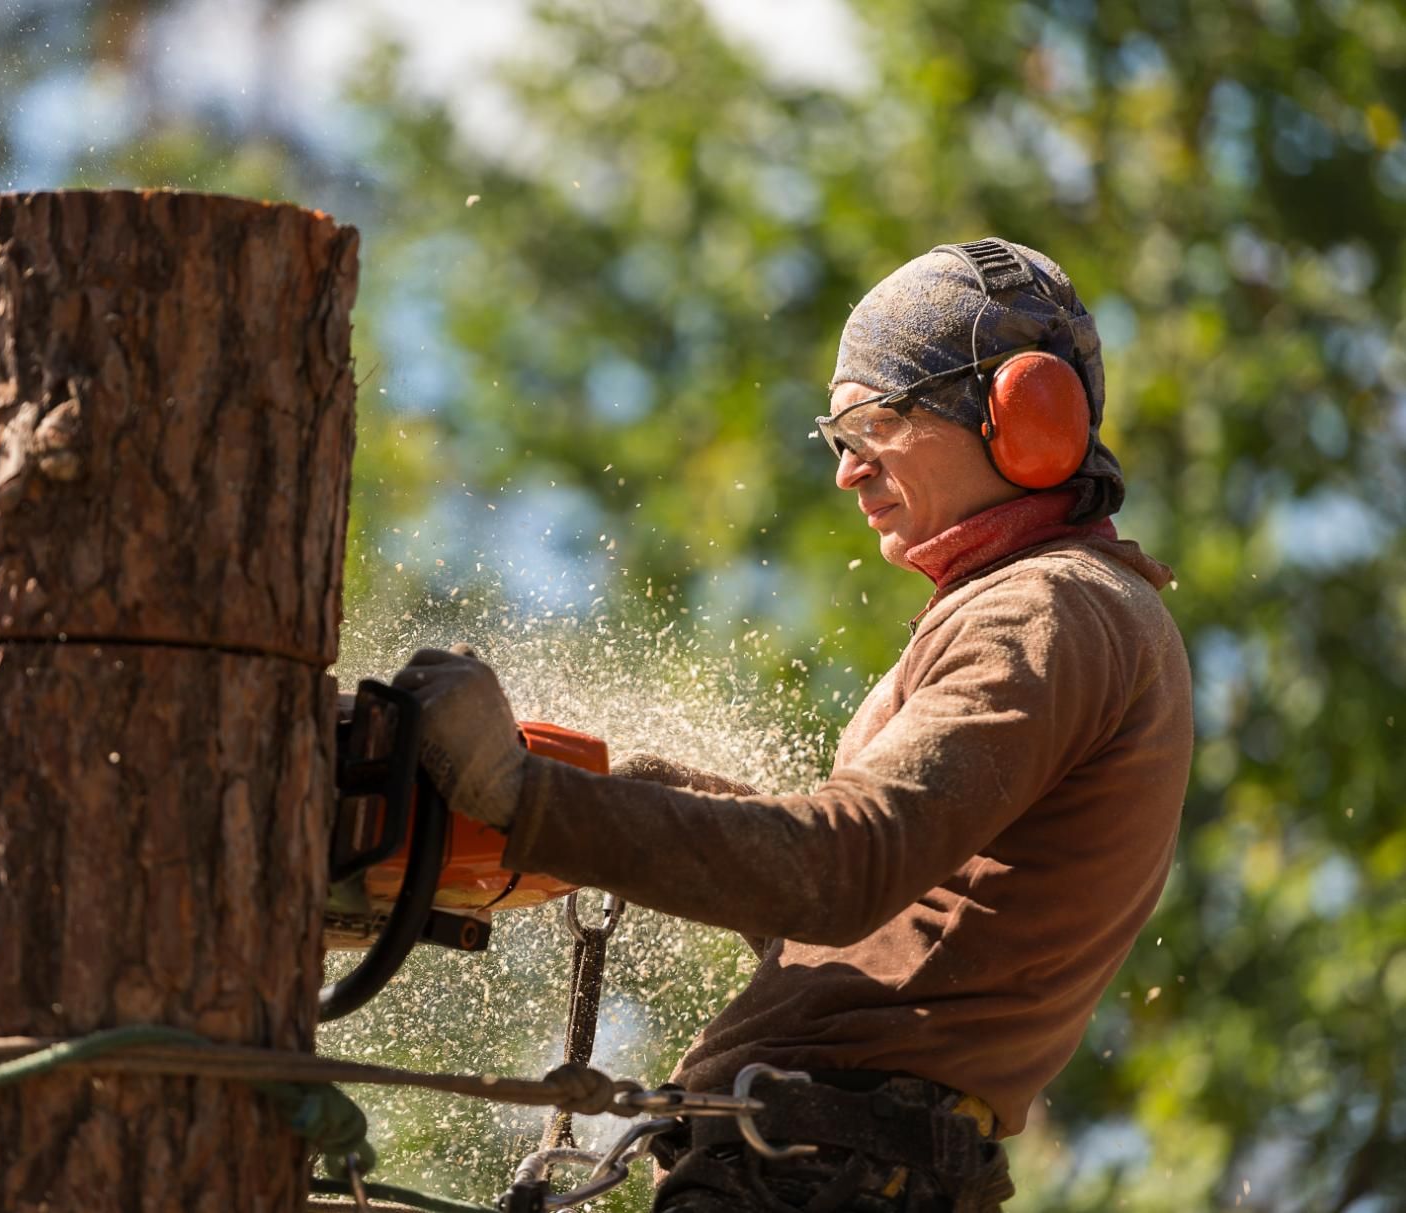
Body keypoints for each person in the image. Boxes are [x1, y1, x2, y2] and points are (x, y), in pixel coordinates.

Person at [394, 239, 1192, 1212]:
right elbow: (877, 907)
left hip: (827, 1171)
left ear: (1017, 414)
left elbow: (839, 869)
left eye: (870, 424)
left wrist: (527, 798)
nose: (849, 473)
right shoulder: (1049, 610)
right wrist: (632, 799)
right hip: (831, 1165)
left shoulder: (1044, 611)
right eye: (837, 437)